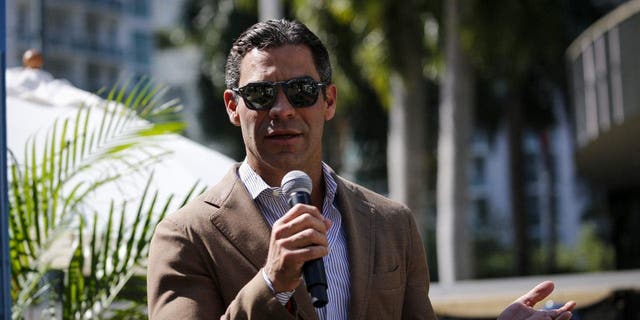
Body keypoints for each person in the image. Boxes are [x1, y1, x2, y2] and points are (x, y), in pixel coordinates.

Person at [146, 19, 575, 320]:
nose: (282, 109)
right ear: (233, 107)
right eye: (259, 94)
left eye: (300, 91)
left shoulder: (391, 223)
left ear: (328, 100)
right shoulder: (186, 236)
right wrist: (272, 281)